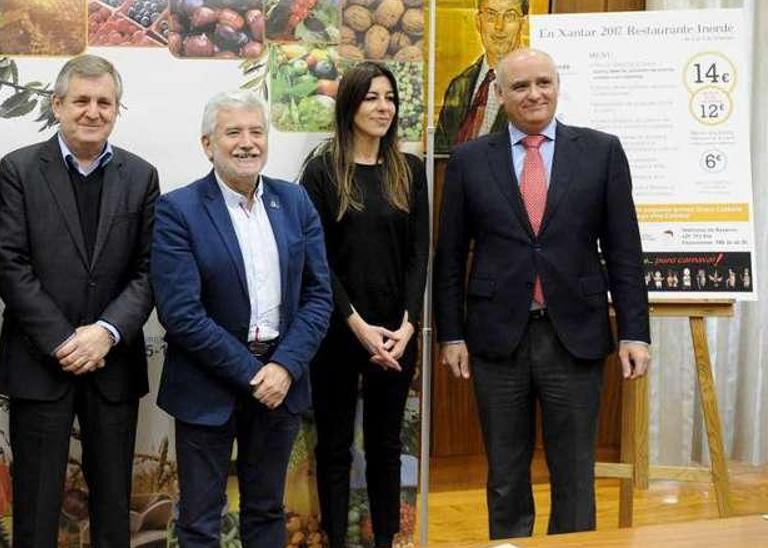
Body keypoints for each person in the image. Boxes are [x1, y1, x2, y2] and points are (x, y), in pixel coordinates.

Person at [434, 48, 651, 539]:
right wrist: (451, 335)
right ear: (501, 94)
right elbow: (448, 257)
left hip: (574, 336)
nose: (533, 94)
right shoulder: (469, 160)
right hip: (495, 340)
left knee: (575, 475)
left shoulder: (601, 151)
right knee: (506, 476)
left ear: (556, 85)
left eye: (543, 83)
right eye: (520, 86)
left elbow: (624, 250)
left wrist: (635, 332)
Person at [152, 90, 332, 546]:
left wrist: (284, 367)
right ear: (208, 144)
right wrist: (256, 375)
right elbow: (182, 314)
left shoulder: (295, 203)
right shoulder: (179, 210)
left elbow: (317, 296)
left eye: (257, 132)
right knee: (198, 519)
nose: (247, 143)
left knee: (267, 511)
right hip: (207, 384)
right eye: (233, 132)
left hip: (281, 382)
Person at [0, 55, 159, 547]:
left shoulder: (141, 175)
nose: (93, 111)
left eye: (104, 102)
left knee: (113, 509)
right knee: (36, 505)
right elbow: (9, 263)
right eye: (81, 100)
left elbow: (149, 271)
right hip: (41, 362)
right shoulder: (19, 169)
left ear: (116, 109)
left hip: (113, 363)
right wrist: (65, 340)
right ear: (58, 105)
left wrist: (104, 333)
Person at [299, 61, 429, 548]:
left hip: (397, 335)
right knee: (333, 445)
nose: (383, 107)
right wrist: (355, 323)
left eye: (390, 98)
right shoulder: (322, 171)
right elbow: (317, 260)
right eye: (372, 97)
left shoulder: (410, 171)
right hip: (338, 331)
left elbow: (420, 255)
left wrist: (409, 325)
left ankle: (386, 539)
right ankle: (337, 538)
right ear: (349, 104)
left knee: (386, 445)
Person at [434, 0, 529, 154]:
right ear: (478, 22)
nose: (499, 27)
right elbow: (439, 152)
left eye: (510, 16)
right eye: (491, 16)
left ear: (523, 24)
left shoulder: (531, 88)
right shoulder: (458, 86)